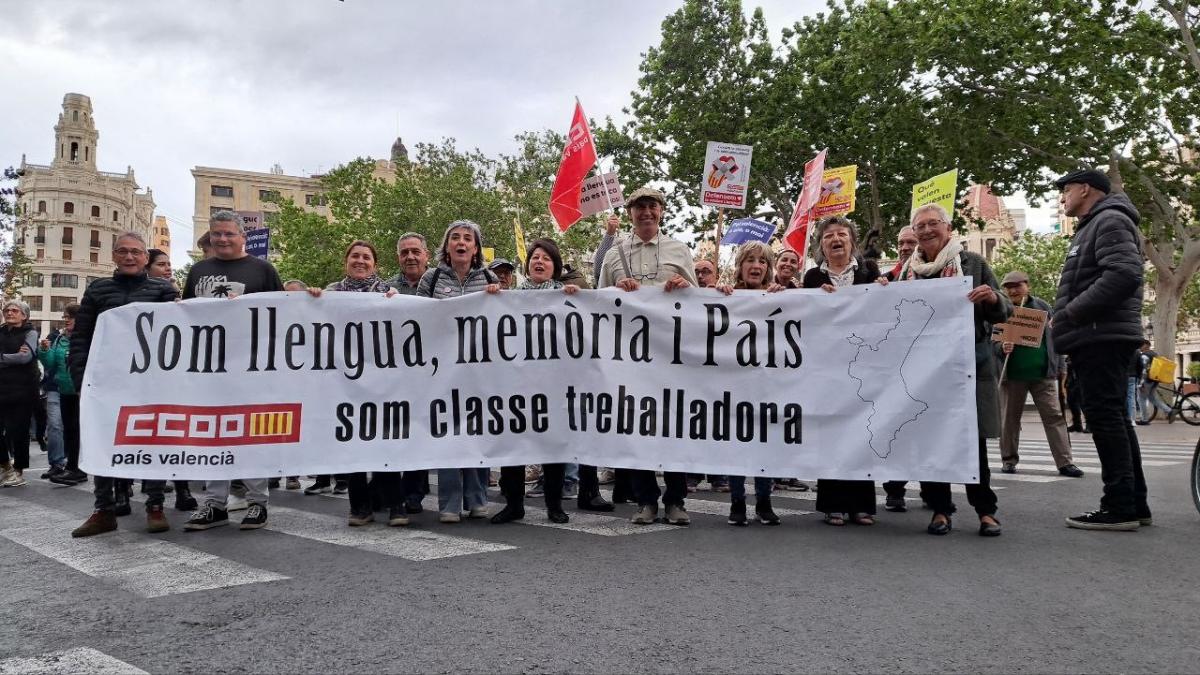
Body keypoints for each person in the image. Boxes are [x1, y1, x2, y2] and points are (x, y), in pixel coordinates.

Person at [902, 203, 1010, 537]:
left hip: (968, 368)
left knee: (972, 443)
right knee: (932, 441)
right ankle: (940, 509)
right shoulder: (907, 272)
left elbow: (1003, 310)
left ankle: (985, 510)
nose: (926, 230)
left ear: (948, 229)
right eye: (920, 226)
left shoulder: (973, 265)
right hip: (925, 372)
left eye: (933, 223)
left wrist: (991, 299)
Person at [1051, 169, 1149, 531]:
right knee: (1115, 420)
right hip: (1099, 335)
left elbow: (1124, 275)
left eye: (1066, 190)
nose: (1062, 198)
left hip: (1100, 336)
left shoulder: (1108, 220)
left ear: (1085, 189)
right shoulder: (1098, 224)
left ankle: (1119, 506)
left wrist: (1071, 314)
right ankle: (1133, 503)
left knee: (1106, 420)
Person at [598, 186, 698, 526]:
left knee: (672, 428)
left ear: (661, 211)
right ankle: (646, 501)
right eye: (639, 207)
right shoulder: (615, 255)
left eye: (652, 206)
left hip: (670, 355)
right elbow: (598, 304)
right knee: (637, 429)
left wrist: (683, 286)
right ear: (630, 213)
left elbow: (699, 302)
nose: (646, 212)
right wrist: (617, 290)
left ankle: (675, 501)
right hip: (629, 358)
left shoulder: (679, 250)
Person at [68, 233, 179, 537]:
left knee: (154, 441)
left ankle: (154, 506)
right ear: (114, 256)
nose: (129, 257)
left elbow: (179, 334)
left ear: (145, 257)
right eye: (123, 252)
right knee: (104, 442)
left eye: (136, 252)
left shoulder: (163, 290)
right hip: (107, 380)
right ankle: (103, 510)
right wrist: (81, 377)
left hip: (151, 382)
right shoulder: (97, 290)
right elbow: (82, 337)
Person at [488, 239, 604, 524]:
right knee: (513, 443)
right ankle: (514, 503)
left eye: (546, 259)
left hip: (554, 382)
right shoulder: (510, 296)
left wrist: (580, 298)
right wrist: (490, 296)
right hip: (517, 381)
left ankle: (554, 505)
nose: (539, 262)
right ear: (527, 264)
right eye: (535, 257)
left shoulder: (566, 296)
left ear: (555, 266)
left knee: (554, 443)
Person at [182, 210, 283, 532]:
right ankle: (214, 504)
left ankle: (258, 502)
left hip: (252, 368)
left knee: (252, 433)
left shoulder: (263, 270)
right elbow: (185, 317)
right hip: (209, 369)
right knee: (211, 433)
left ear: (243, 237)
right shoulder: (198, 270)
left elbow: (283, 313)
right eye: (217, 234)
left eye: (229, 234)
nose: (222, 239)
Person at [305, 240, 406, 526]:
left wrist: (398, 303)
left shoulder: (388, 293)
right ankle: (360, 507)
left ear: (375, 264)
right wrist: (311, 298)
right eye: (355, 256)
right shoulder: (332, 292)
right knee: (354, 445)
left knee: (386, 442)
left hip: (381, 381)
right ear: (346, 261)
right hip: (345, 383)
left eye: (366, 257)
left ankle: (396, 505)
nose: (360, 261)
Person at [802, 216, 882, 527]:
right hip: (826, 368)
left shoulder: (869, 272)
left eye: (842, 235)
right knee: (831, 435)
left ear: (852, 241)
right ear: (821, 246)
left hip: (863, 366)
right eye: (828, 236)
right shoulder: (811, 277)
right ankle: (833, 504)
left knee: (862, 434)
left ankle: (862, 505)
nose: (835, 240)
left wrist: (885, 290)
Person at [417, 220, 498, 523]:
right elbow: (414, 316)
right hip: (442, 371)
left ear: (476, 248)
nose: (461, 242)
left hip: (478, 372)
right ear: (447, 246)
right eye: (455, 238)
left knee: (476, 433)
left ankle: (477, 499)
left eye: (468, 238)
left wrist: (496, 296)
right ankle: (449, 503)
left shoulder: (489, 277)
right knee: (448, 434)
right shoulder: (432, 278)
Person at [713, 241, 784, 526]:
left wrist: (787, 295)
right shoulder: (727, 296)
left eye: (763, 261)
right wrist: (718, 296)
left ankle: (764, 501)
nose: (756, 266)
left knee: (765, 444)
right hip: (735, 384)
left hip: (768, 384)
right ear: (740, 265)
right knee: (738, 445)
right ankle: (738, 501)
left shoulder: (780, 296)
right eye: (750, 260)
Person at [996, 270, 1083, 477]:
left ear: (1028, 285)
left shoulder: (1043, 307)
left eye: (1017, 285)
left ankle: (1065, 462)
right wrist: (1001, 347)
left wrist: (1060, 368)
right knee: (1009, 420)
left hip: (1043, 375)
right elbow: (992, 340)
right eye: (1008, 287)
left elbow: (1056, 338)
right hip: (1012, 376)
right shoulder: (1000, 309)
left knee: (1054, 417)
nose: (1013, 290)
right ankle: (1008, 460)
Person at [144, 249, 197, 508]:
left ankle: (182, 489)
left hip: (175, 373)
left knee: (176, 432)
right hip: (143, 373)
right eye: (161, 264)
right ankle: (123, 493)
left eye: (169, 264)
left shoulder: (174, 295)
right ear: (147, 266)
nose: (167, 269)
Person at [385, 233, 433, 512]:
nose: (411, 257)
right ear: (398, 258)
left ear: (426, 255)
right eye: (405, 253)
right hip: (395, 373)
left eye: (416, 251)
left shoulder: (438, 283)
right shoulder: (386, 287)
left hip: (429, 372)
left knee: (420, 433)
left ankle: (414, 492)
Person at [882, 225, 923, 510]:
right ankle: (894, 488)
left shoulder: (939, 273)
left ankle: (935, 490)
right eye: (901, 242)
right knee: (896, 431)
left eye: (912, 242)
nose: (906, 247)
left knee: (928, 429)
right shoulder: (888, 278)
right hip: (896, 367)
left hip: (928, 363)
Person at [0, 299, 38, 488]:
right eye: (6, 310)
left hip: (24, 389)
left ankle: (19, 471)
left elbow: (25, 357)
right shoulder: (0, 332)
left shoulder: (30, 333)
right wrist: (12, 357)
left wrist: (3, 357)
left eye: (14, 310)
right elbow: (18, 356)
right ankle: (5, 466)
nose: (9, 313)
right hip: (2, 387)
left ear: (24, 315)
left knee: (19, 432)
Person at [1137, 340, 1171, 424]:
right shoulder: (1155, 354)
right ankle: (1169, 410)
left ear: (1146, 345)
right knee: (1152, 398)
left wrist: (1141, 383)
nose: (1140, 346)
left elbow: (1143, 370)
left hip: (1147, 380)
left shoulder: (1145, 356)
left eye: (1141, 345)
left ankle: (1144, 419)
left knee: (1141, 399)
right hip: (1154, 380)